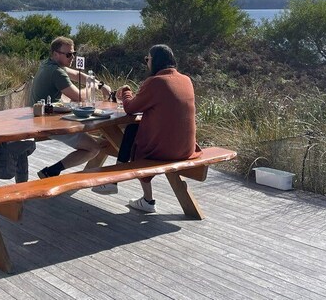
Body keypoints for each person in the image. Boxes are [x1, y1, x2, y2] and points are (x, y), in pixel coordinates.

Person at [94, 44, 200, 213]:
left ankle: (115, 182)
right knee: (132, 131)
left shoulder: (156, 82)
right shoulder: (186, 80)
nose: (146, 63)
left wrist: (126, 91)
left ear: (155, 61)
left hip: (166, 151)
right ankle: (143, 199)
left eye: (147, 59)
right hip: (186, 148)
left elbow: (130, 108)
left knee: (132, 136)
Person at [29, 36, 112, 179]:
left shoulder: (48, 64)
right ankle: (52, 171)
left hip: (41, 116)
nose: (72, 57)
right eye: (68, 54)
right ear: (56, 54)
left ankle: (54, 171)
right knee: (94, 147)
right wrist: (92, 86)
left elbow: (78, 75)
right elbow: (79, 97)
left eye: (73, 54)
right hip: (49, 122)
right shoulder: (57, 72)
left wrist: (101, 85)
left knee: (102, 138)